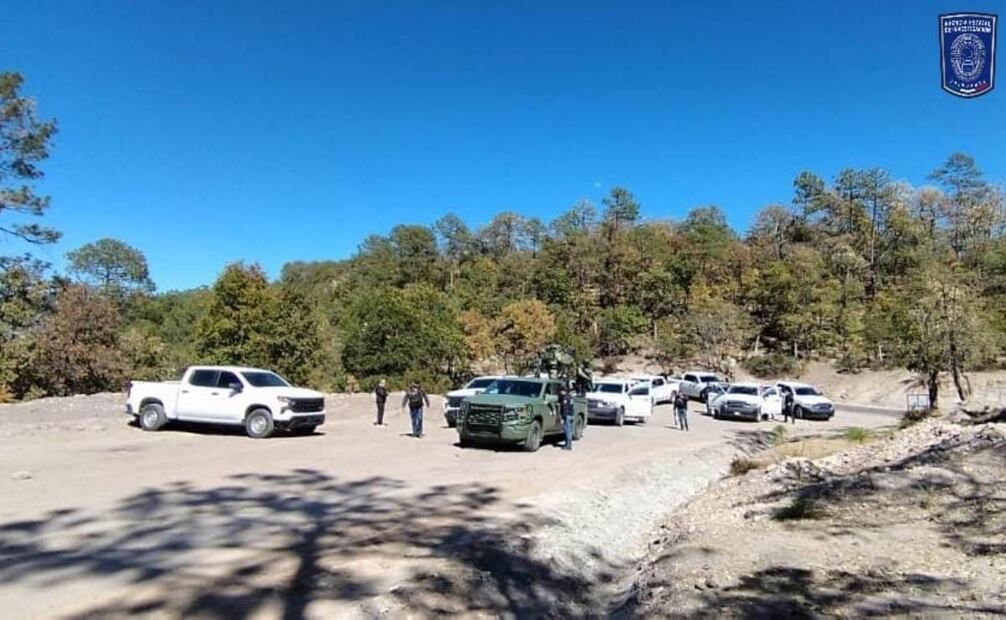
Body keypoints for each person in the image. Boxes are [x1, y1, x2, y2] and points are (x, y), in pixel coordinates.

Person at [559, 385, 575, 450]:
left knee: (567, 430)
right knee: (570, 430)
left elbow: (565, 408)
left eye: (561, 391)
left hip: (567, 416)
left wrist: (563, 418)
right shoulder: (570, 397)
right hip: (571, 415)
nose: (560, 392)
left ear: (563, 391)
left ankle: (568, 445)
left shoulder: (565, 398)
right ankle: (568, 444)